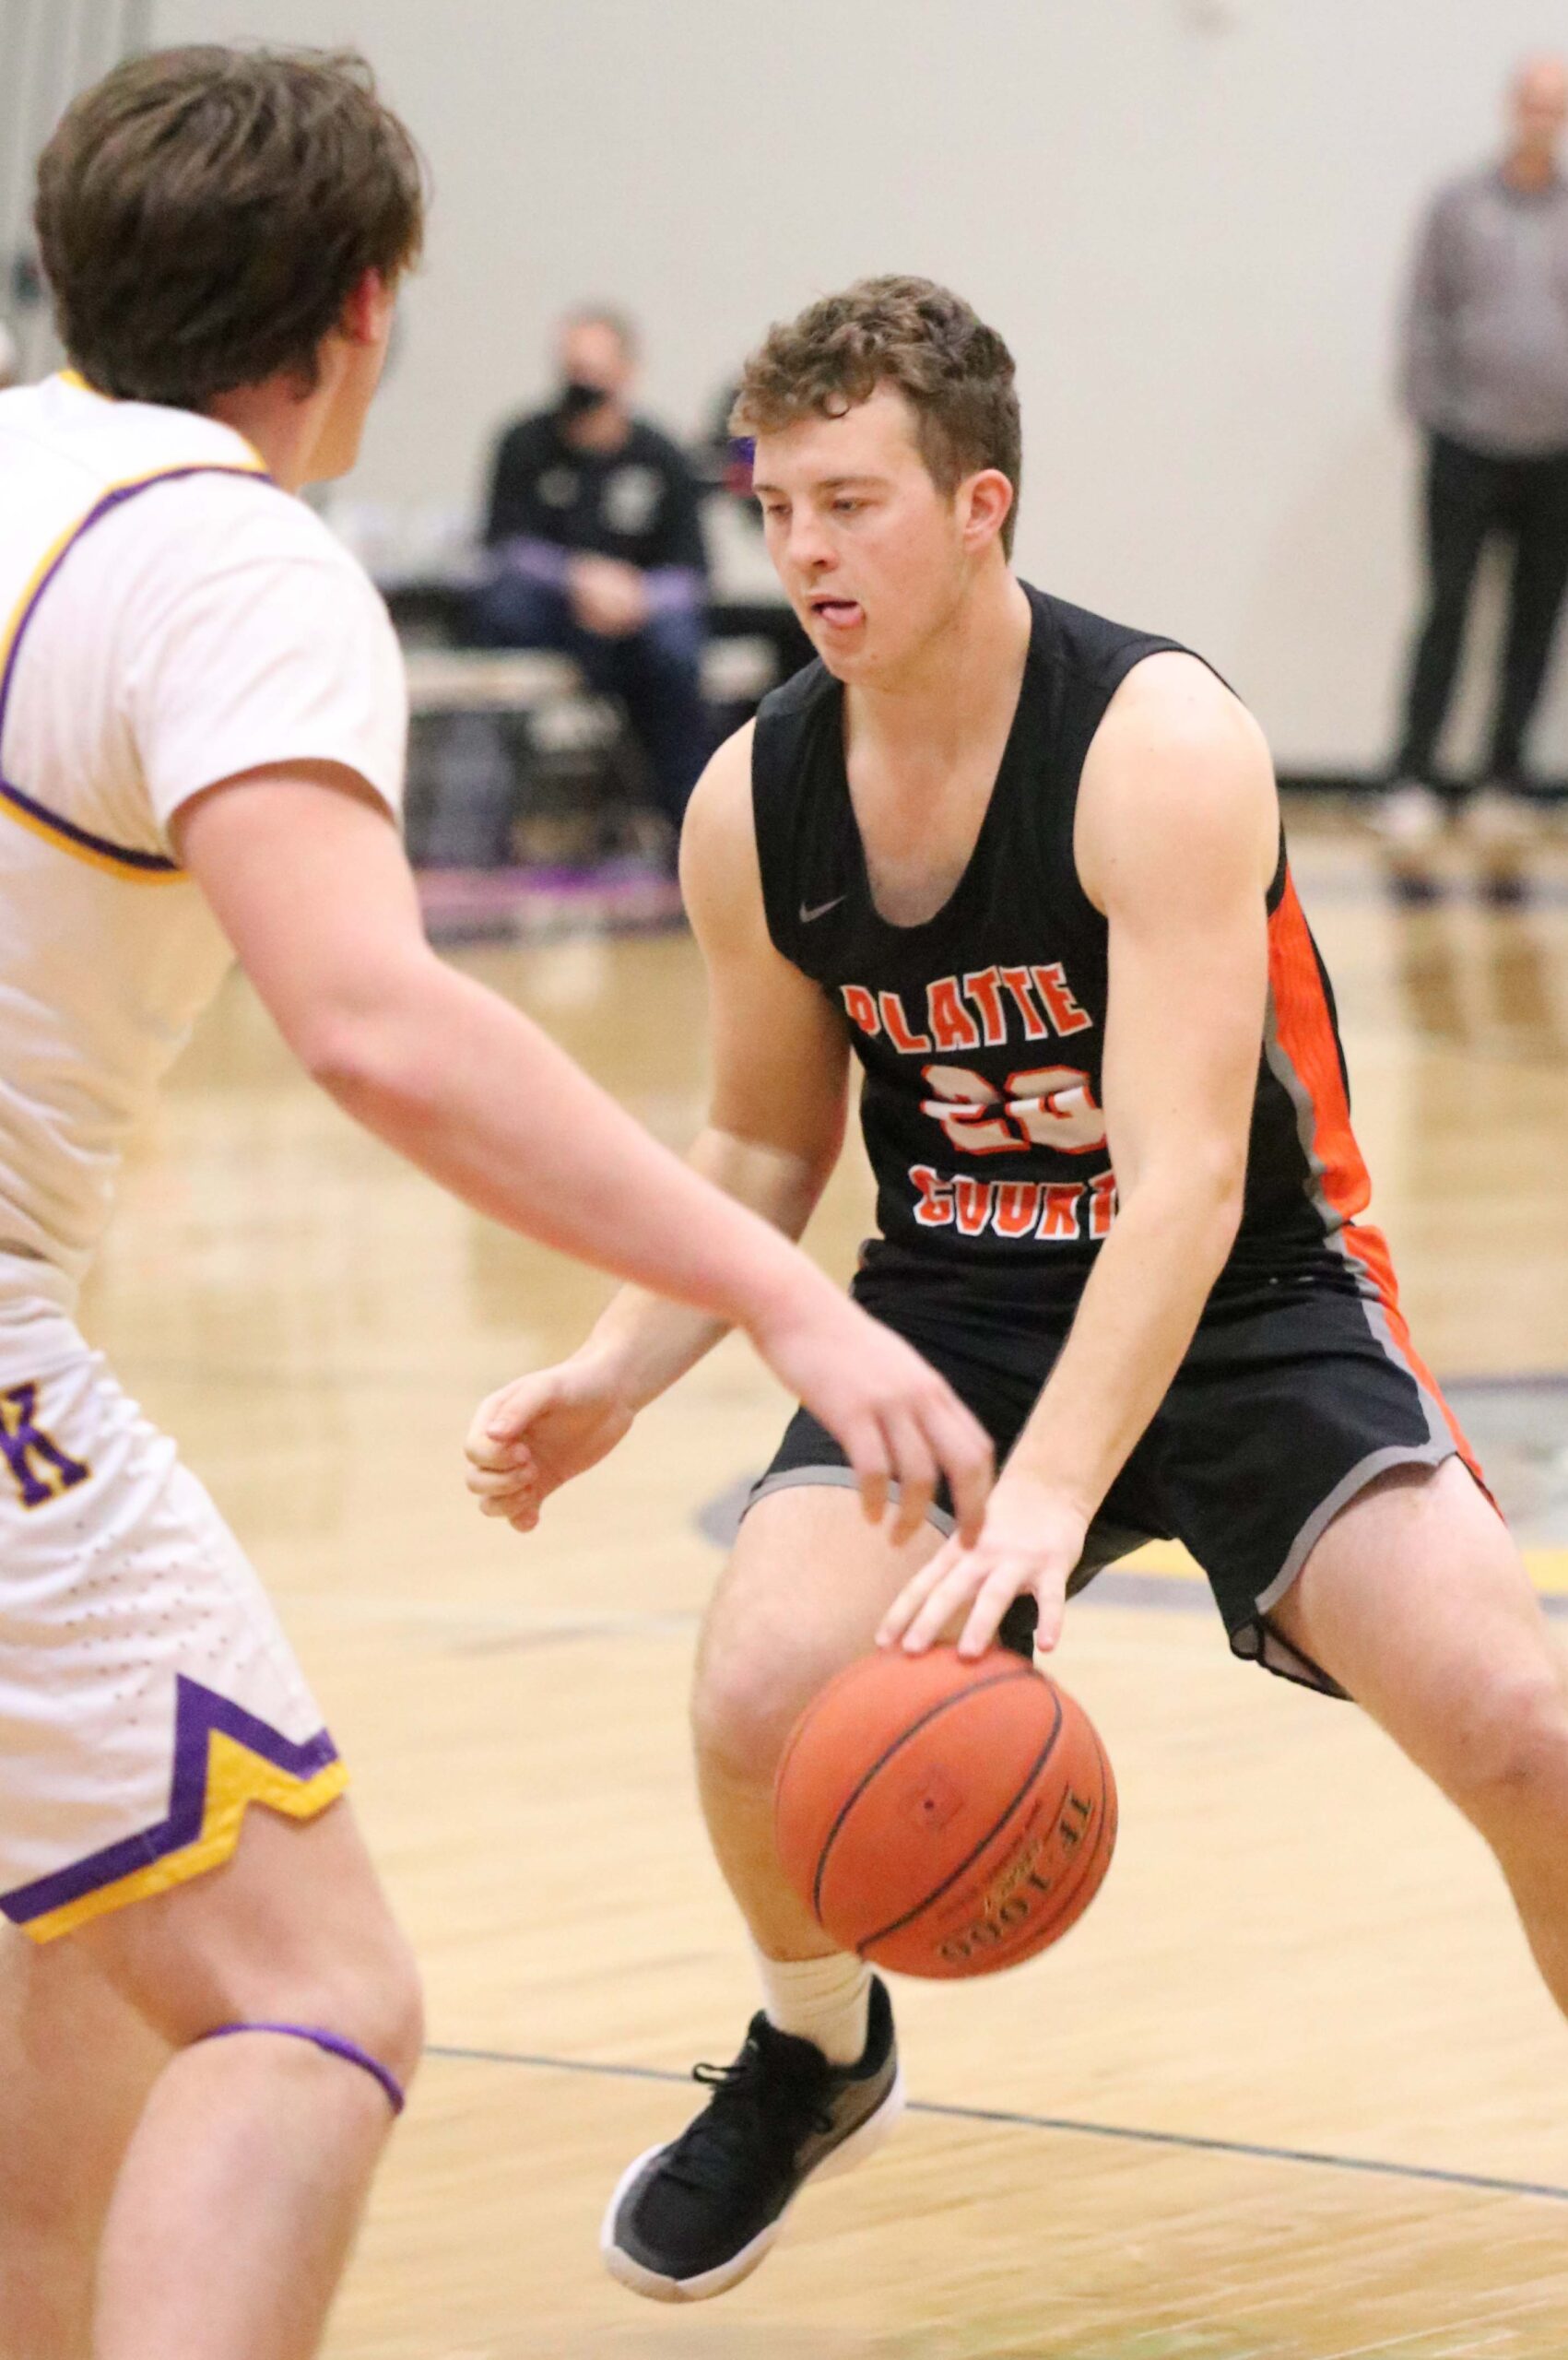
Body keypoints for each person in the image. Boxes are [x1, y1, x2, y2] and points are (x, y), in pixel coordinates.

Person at [0, 66, 992, 2360]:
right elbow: (375, 1021)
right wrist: (782, 1299)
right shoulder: (225, 552)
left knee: (85, 1962)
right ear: (365, 309)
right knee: (307, 2006)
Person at [468, 276, 1568, 2307]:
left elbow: (1186, 1181)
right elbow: (763, 1144)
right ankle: (818, 2047)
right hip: (954, 1304)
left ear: (979, 506)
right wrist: (617, 1367)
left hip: (1247, 1296)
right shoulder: (752, 797)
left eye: (851, 503)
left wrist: (1045, 1504)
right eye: (775, 505)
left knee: (1525, 1732)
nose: (802, 551)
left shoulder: (1157, 743)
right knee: (751, 1697)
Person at [1381, 53, 1568, 896]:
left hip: (1556, 455)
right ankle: (1411, 776)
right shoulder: (1458, 206)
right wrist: (1433, 411)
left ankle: (1503, 780)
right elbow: (1422, 311)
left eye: (1555, 105)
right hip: (1464, 445)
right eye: (1532, 100)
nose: (1541, 116)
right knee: (1448, 608)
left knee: (1535, 615)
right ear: (1511, 107)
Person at [471, 310, 711, 845]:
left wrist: (634, 596)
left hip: (635, 624)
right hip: (551, 614)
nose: (581, 385)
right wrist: (577, 578)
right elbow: (502, 548)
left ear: (626, 372)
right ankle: (487, 827)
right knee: (503, 605)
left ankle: (688, 824)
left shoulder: (661, 456)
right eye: (571, 369)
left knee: (676, 644)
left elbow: (691, 574)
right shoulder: (524, 443)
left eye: (594, 371)